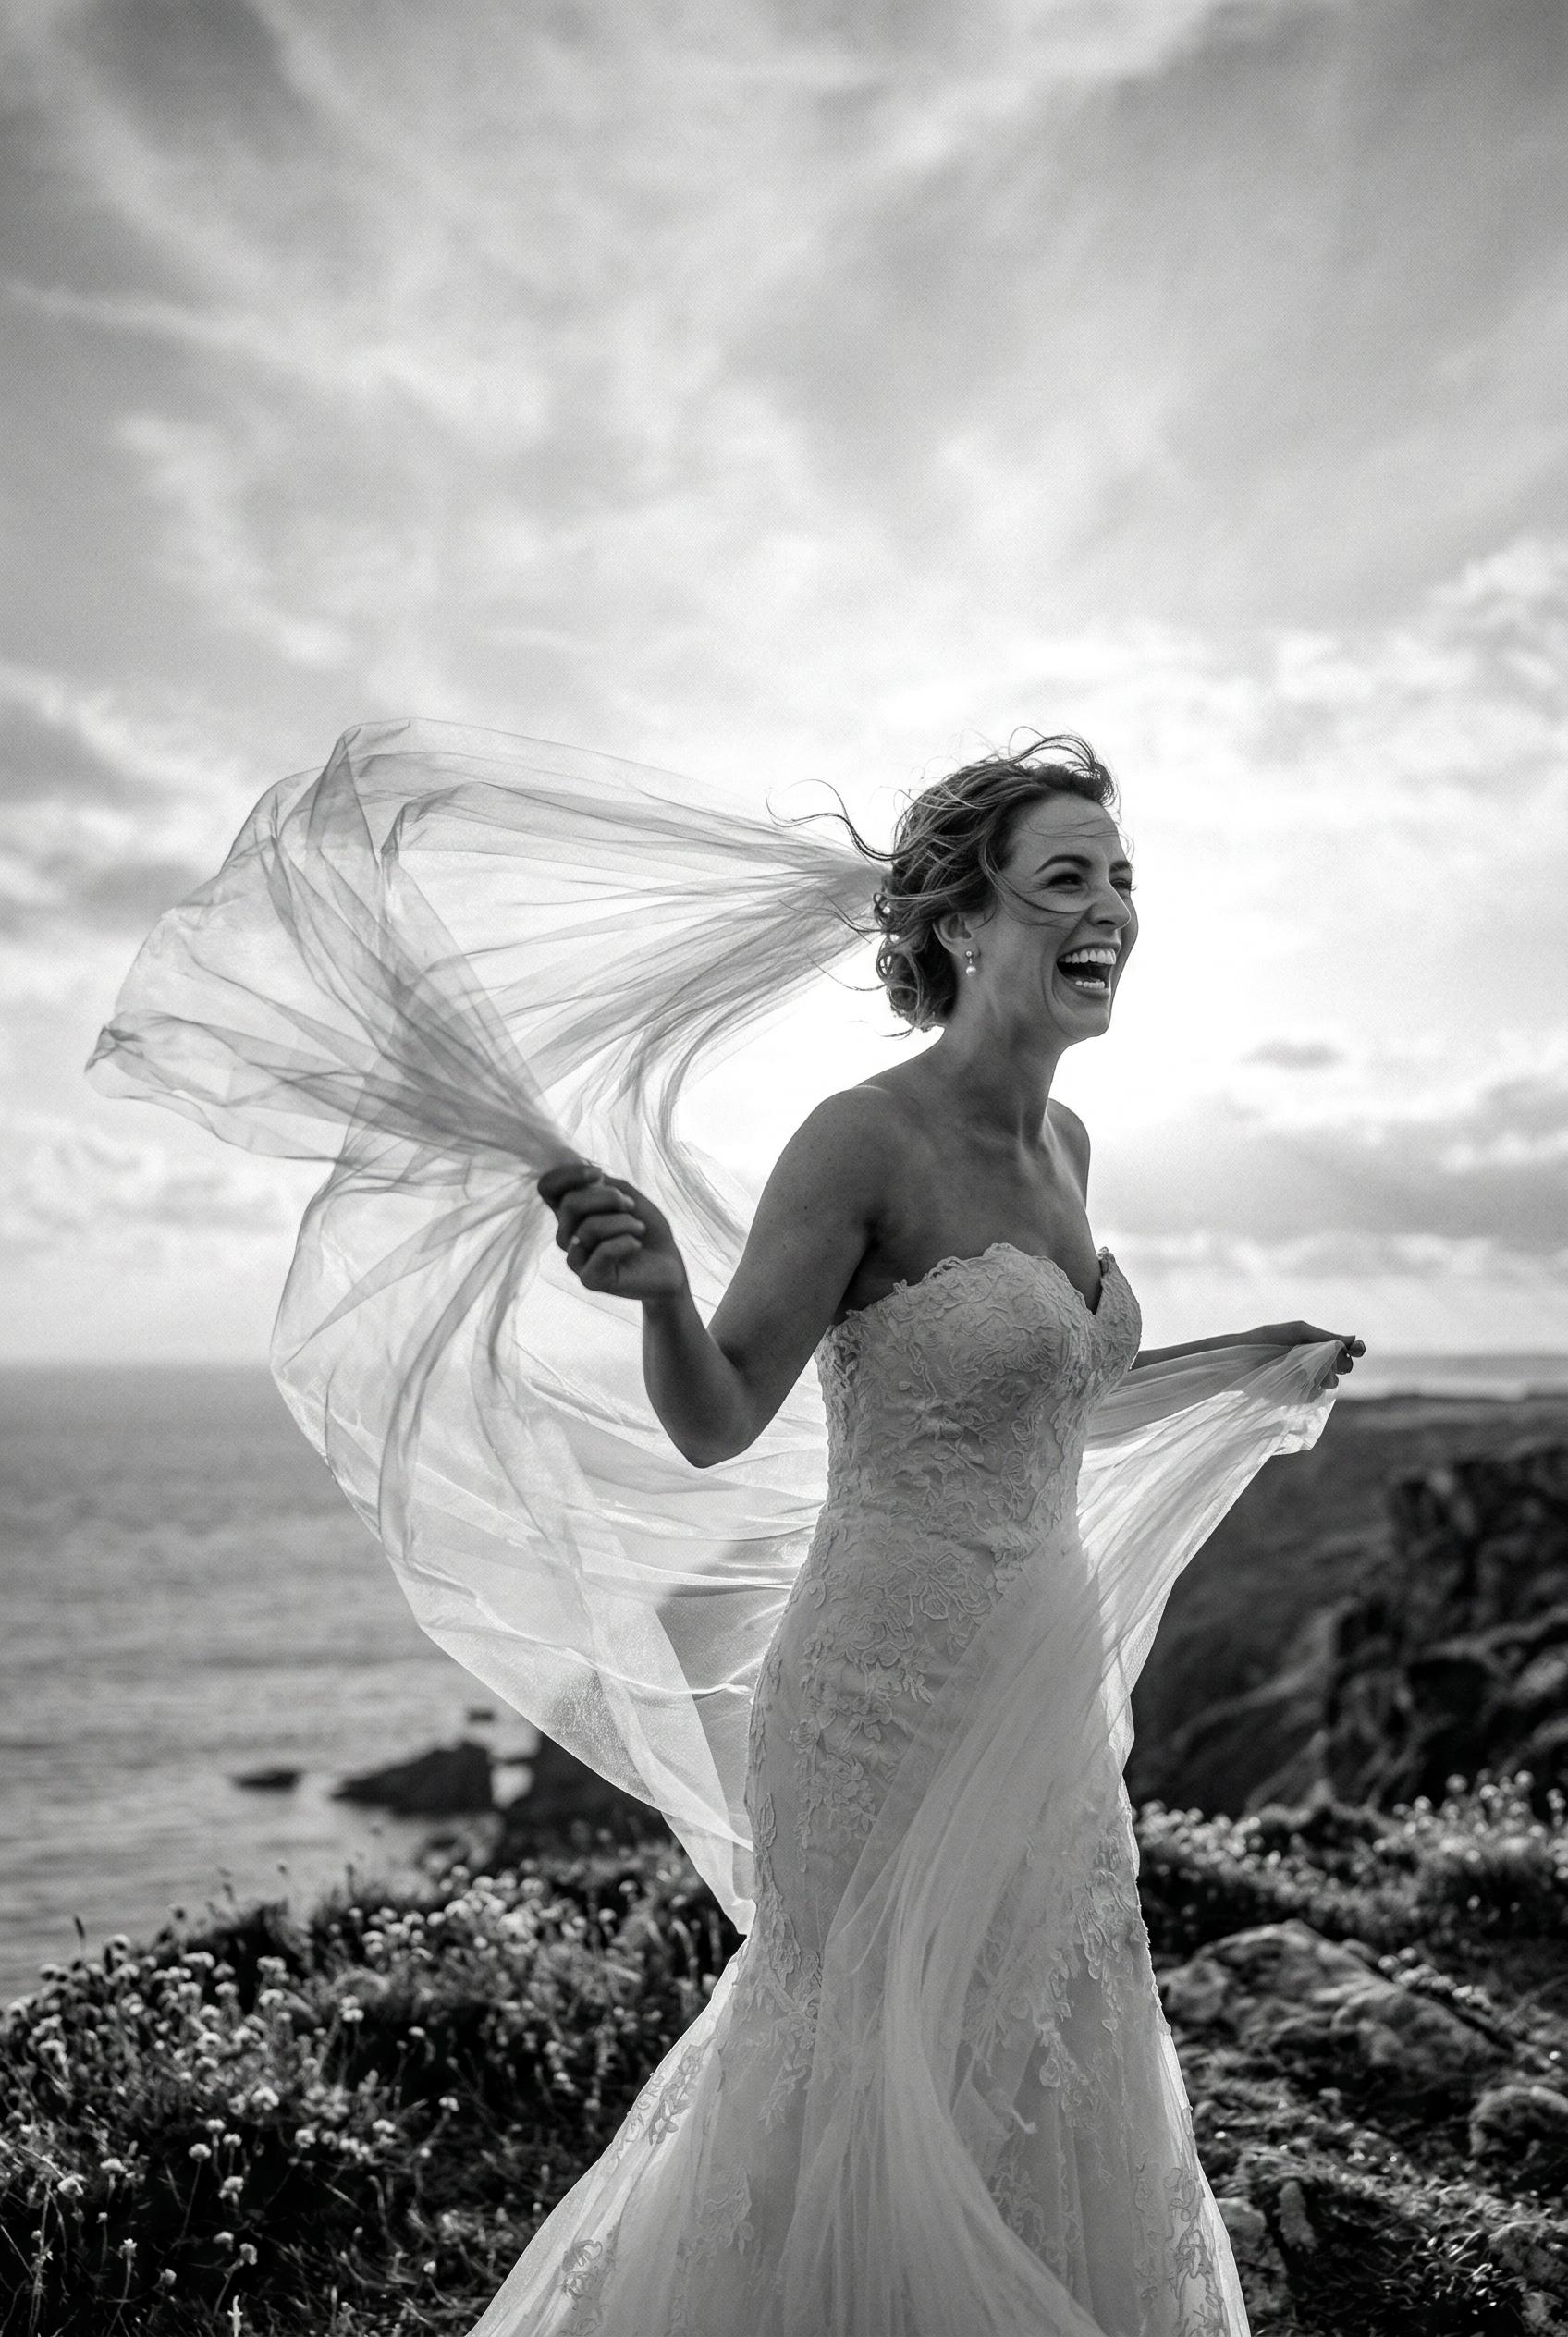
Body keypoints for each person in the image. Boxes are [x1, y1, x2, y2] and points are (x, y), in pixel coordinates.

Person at [86, 718, 1361, 2336]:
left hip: (1034, 1711)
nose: (1108, 906)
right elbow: (717, 1419)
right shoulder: (861, 1140)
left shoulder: (1071, 1147)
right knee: (855, 2069)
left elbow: (1044, 1405)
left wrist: (1243, 1371)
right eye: (1065, 880)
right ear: (963, 924)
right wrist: (662, 1295)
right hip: (877, 1704)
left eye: (1121, 877)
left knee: (1049, 2038)